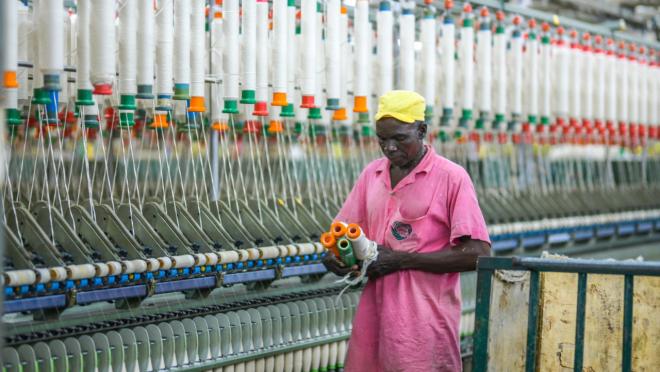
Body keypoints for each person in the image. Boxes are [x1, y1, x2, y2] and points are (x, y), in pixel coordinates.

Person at [322, 90, 491, 371]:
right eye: (382, 139)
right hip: (374, 320)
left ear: (421, 130)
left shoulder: (450, 177)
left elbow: (478, 254)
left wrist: (401, 260)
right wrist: (338, 258)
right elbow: (343, 233)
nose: (389, 148)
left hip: (424, 326)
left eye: (399, 138)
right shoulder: (372, 175)